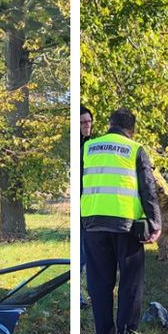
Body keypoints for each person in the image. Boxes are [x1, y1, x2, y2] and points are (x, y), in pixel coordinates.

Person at [80, 108, 162, 334]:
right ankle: (126, 331)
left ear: (109, 124)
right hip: (126, 226)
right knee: (130, 280)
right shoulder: (135, 149)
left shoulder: (88, 147)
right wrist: (155, 223)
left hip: (93, 223)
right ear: (132, 130)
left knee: (99, 281)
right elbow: (148, 188)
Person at [79, 104, 94, 308]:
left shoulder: (93, 145)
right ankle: (79, 296)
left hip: (92, 207)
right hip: (81, 208)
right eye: (82, 123)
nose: (87, 126)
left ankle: (90, 293)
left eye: (89, 122)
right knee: (81, 254)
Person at [154, 166, 168, 261]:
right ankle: (166, 247)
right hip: (162, 203)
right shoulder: (154, 172)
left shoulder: (152, 175)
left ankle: (163, 256)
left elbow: (164, 194)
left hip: (162, 204)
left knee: (162, 230)